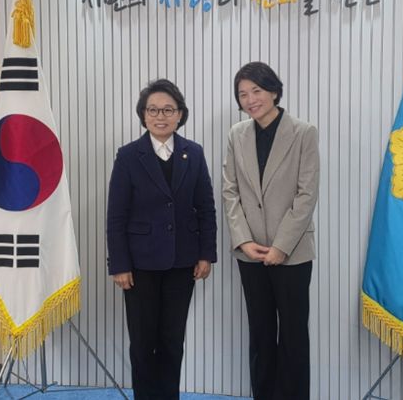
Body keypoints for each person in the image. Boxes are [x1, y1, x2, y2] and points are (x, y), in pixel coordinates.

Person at [107, 78, 217, 400]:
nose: (160, 116)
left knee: (172, 341)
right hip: (139, 265)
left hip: (183, 262)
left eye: (168, 110)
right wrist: (119, 264)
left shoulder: (193, 153)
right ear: (143, 115)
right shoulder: (128, 156)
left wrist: (206, 254)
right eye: (153, 110)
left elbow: (206, 207)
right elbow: (116, 216)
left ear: (180, 114)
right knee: (143, 343)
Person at [222, 62, 319, 400]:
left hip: (292, 253)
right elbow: (230, 191)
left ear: (274, 91)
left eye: (257, 91)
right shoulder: (236, 135)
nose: (250, 99)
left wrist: (281, 246)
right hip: (250, 253)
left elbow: (306, 195)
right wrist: (244, 241)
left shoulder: (304, 132)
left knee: (293, 335)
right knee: (260, 333)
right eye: (243, 94)